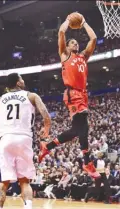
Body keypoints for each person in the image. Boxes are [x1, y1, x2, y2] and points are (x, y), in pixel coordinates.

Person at [0, 73, 51, 209]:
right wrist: (46, 129)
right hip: (24, 139)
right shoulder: (31, 95)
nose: (24, 80)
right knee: (24, 182)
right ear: (17, 82)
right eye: (21, 78)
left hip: (6, 140)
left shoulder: (1, 99)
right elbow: (46, 114)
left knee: (3, 183)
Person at [38, 13, 100, 179]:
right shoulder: (65, 55)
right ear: (67, 46)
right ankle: (87, 162)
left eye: (77, 43)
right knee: (83, 127)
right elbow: (61, 33)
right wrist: (67, 21)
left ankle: (48, 146)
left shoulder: (83, 57)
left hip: (82, 94)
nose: (76, 44)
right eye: (73, 42)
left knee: (76, 130)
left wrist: (84, 22)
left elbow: (93, 39)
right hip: (72, 93)